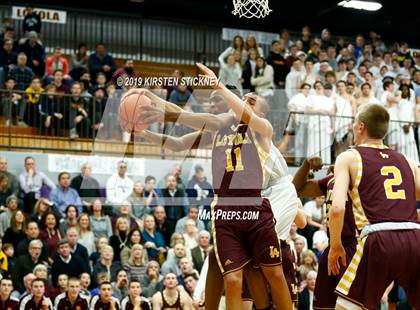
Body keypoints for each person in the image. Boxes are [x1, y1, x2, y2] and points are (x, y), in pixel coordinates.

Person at [134, 63, 293, 310]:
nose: (245, 101)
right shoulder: (219, 128)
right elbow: (179, 139)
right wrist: (147, 127)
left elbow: (201, 115)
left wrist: (217, 85)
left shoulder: (263, 129)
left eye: (251, 101)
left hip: (254, 206)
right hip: (226, 208)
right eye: (244, 99)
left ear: (260, 112)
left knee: (274, 274)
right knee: (231, 278)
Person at [329, 103, 420, 309]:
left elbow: (337, 209)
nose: (352, 126)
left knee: (346, 307)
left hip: (379, 239)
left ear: (361, 127)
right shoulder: (407, 160)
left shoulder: (349, 157)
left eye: (354, 123)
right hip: (415, 237)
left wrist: (336, 245)